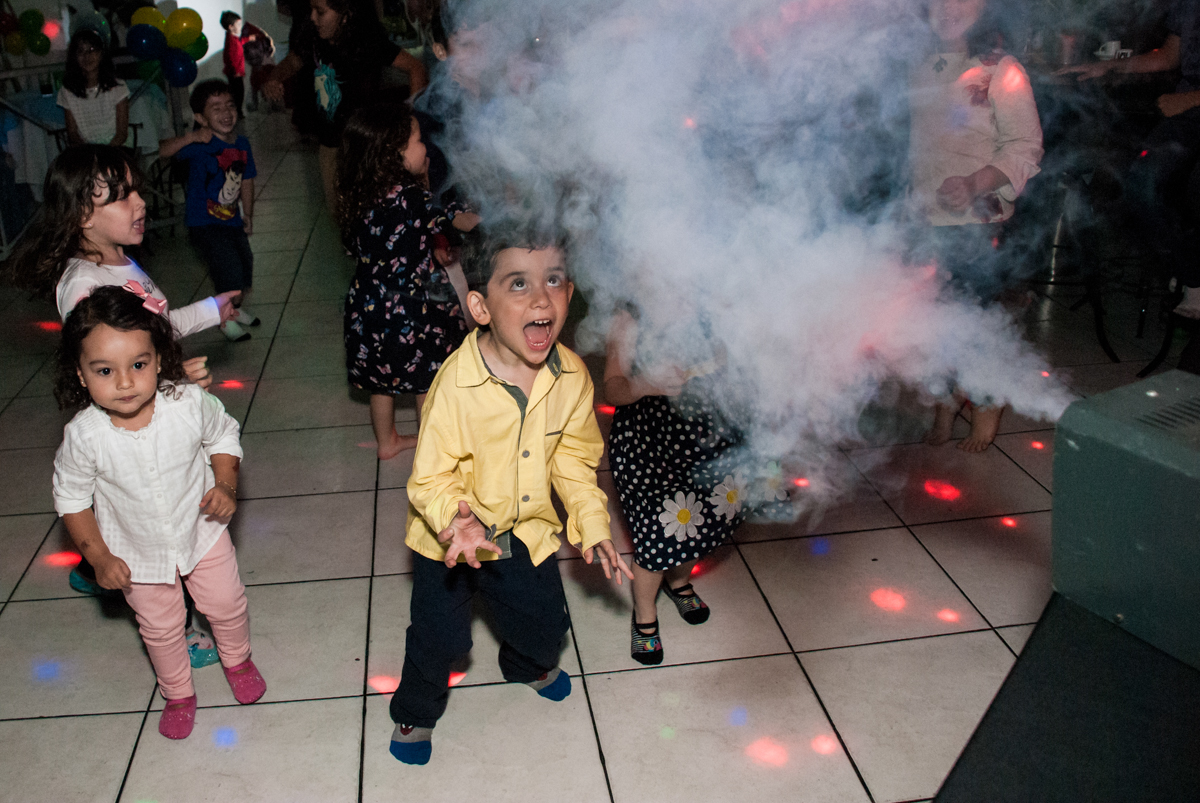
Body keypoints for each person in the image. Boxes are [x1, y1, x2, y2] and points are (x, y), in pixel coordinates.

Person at [388, 225, 633, 765]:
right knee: (441, 641)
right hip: (448, 540)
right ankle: (416, 711)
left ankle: (525, 665)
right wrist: (459, 522)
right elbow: (429, 479)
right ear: (480, 306)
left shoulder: (571, 377)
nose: (541, 297)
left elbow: (574, 459)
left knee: (546, 627)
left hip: (525, 531)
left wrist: (592, 522)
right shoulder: (455, 386)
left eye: (554, 280)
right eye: (518, 284)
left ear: (570, 294)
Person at [3, 144, 238, 666]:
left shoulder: (117, 258)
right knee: (144, 526)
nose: (139, 202)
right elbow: (111, 358)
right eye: (120, 196)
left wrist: (205, 312)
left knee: (161, 509)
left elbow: (147, 330)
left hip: (156, 412)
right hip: (126, 425)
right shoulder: (85, 285)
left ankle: (99, 567)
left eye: (135, 189)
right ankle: (156, 616)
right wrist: (173, 375)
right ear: (82, 214)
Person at [51, 285, 267, 740]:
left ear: (159, 359)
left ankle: (238, 657)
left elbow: (223, 434)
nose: (125, 382)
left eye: (139, 365)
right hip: (136, 554)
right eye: (105, 370)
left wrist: (225, 484)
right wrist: (99, 558)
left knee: (226, 603)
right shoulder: (84, 436)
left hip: (202, 530)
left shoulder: (185, 403)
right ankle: (177, 693)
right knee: (161, 628)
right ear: (81, 373)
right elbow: (72, 498)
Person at [910, 0, 1043, 452]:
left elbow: (1025, 148)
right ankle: (944, 402)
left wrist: (975, 182)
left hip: (976, 225)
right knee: (935, 322)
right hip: (927, 220)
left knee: (978, 322)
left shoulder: (1001, 70)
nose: (949, 7)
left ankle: (986, 404)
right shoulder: (919, 66)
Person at [603, 306, 745, 665]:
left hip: (704, 440)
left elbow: (729, 360)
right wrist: (643, 385)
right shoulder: (630, 318)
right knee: (657, 535)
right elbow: (613, 388)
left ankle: (679, 582)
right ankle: (645, 613)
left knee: (695, 524)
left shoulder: (708, 307)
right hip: (650, 448)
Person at [337, 104, 470, 459]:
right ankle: (433, 448)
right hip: (410, 308)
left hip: (368, 304)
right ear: (392, 154)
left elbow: (370, 244)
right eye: (416, 140)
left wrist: (425, 250)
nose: (425, 146)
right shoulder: (413, 197)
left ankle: (387, 442)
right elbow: (454, 221)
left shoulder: (358, 192)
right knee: (427, 377)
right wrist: (491, 212)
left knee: (382, 380)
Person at [1060, 0, 1200, 319]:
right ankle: (1190, 271)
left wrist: (1189, 99)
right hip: (1188, 114)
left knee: (1193, 188)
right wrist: (1108, 66)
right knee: (1142, 181)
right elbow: (1169, 55)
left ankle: (1191, 277)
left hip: (1190, 105)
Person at [261, 0, 429, 214]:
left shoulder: (368, 41)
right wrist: (274, 78)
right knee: (339, 215)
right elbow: (293, 62)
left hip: (366, 146)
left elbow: (415, 68)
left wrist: (411, 119)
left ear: (345, 15)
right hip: (329, 145)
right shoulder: (313, 37)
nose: (312, 17)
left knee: (371, 215)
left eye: (320, 12)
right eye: (311, 10)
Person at [160, 81, 260, 342]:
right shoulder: (198, 146)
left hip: (231, 220)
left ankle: (233, 310)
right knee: (227, 270)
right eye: (215, 108)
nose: (225, 112)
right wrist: (191, 136)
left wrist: (248, 213)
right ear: (200, 118)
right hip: (203, 224)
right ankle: (223, 318)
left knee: (245, 265)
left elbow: (247, 181)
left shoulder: (242, 144)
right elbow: (162, 151)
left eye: (229, 105)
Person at [57, 29, 129, 148]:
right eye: (81, 51)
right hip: (86, 152)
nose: (87, 56)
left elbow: (121, 133)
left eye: (91, 50)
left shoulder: (117, 86)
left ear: (100, 53)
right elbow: (72, 133)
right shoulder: (67, 91)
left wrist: (104, 153)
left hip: (115, 149)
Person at [220, 11, 250, 119]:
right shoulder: (230, 40)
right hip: (235, 73)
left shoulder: (233, 39)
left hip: (235, 72)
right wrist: (235, 70)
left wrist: (250, 39)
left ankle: (238, 111)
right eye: (238, 24)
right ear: (230, 26)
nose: (240, 27)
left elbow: (241, 41)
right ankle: (237, 112)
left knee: (238, 92)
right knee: (237, 93)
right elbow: (230, 57)